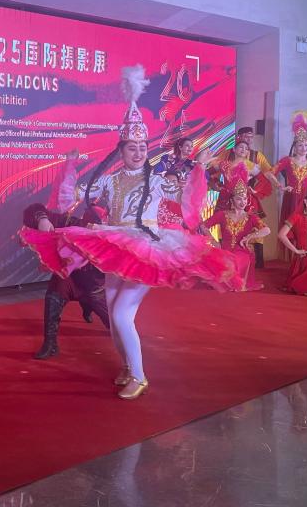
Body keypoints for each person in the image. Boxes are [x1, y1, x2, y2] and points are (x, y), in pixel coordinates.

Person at [19, 65, 248, 400]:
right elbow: (69, 200)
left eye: (142, 147)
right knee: (114, 315)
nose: (139, 152)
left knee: (122, 314)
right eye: (132, 148)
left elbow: (188, 200)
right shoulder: (108, 181)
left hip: (148, 248)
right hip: (115, 245)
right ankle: (127, 366)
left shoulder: (158, 180)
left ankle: (139, 376)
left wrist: (199, 165)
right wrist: (69, 167)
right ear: (121, 150)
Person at [23, 151, 110, 360]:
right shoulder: (70, 221)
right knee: (53, 296)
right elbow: (33, 210)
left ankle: (89, 310)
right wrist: (42, 218)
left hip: (93, 287)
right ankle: (50, 343)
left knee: (115, 325)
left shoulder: (111, 235)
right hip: (68, 279)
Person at [202, 163, 269, 290]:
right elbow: (204, 226)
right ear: (232, 201)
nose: (242, 202)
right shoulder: (222, 214)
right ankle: (228, 283)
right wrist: (213, 241)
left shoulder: (251, 217)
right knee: (223, 260)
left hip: (242, 250)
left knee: (237, 260)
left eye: (244, 199)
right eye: (239, 199)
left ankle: (234, 284)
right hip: (224, 249)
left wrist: (250, 236)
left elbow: (267, 230)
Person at [153, 136, 196, 229]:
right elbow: (156, 173)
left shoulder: (192, 165)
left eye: (191, 146)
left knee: (186, 227)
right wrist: (174, 183)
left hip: (184, 199)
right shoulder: (169, 159)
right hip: (168, 198)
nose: (190, 148)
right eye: (187, 145)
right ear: (180, 147)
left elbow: (202, 180)